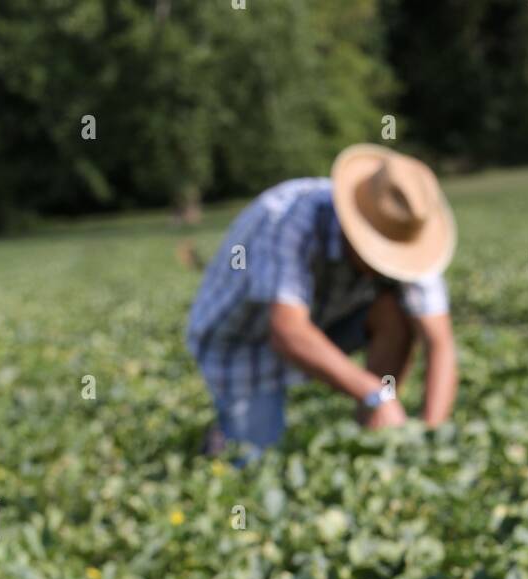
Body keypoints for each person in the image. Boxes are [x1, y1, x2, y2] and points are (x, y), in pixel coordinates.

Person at [186, 145, 458, 462]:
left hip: (321, 319)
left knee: (394, 309)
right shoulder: (288, 219)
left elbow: (439, 343)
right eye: (378, 255)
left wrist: (431, 435)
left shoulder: (405, 229)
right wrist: (377, 394)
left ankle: (369, 434)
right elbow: (287, 333)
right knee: (253, 460)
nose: (385, 267)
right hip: (245, 338)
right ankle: (224, 435)